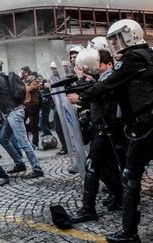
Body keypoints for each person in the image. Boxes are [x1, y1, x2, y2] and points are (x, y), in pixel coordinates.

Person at [79, 19, 153, 242]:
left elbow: (105, 86)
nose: (115, 44)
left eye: (118, 39)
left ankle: (129, 233)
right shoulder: (148, 55)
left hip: (144, 125)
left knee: (131, 177)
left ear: (130, 35)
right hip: (148, 123)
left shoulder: (131, 59)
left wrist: (83, 95)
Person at [67, 48, 125, 224]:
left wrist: (82, 96)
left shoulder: (110, 76)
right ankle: (118, 195)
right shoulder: (102, 78)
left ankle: (88, 209)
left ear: (106, 63)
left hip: (108, 129)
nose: (95, 67)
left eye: (97, 64)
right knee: (107, 169)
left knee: (92, 166)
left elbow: (101, 91)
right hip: (102, 129)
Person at [0, 58, 44, 178]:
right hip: (11, 113)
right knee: (3, 139)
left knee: (23, 142)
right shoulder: (4, 78)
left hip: (14, 113)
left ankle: (37, 169)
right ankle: (19, 163)